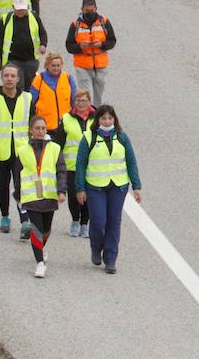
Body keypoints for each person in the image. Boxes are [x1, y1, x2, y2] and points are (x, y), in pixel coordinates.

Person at [76, 104, 142, 274]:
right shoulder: (88, 138)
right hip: (95, 186)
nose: (107, 121)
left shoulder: (122, 137)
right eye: (103, 118)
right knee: (98, 221)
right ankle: (96, 248)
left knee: (114, 222)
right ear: (98, 120)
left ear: (114, 119)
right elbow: (81, 165)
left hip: (118, 187)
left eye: (110, 118)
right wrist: (80, 188)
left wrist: (136, 186)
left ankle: (110, 258)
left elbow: (131, 161)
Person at [0, 64, 32, 234]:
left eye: (12, 76)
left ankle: (25, 221)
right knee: (2, 186)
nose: (9, 79)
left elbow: (33, 125)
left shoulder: (27, 99)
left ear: (18, 79)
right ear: (2, 78)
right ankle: (5, 217)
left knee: (21, 186)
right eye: (6, 76)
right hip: (1, 151)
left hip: (21, 152)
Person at [16, 115, 66, 278]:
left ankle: (40, 248)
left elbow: (61, 170)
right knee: (36, 228)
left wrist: (61, 190)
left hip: (49, 194)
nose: (40, 131)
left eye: (43, 128)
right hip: (31, 195)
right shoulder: (23, 150)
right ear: (31, 130)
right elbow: (17, 173)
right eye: (37, 128)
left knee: (46, 228)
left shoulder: (55, 148)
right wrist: (17, 192)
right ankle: (39, 263)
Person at [66, 0, 115, 105]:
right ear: (82, 9)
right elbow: (69, 46)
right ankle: (87, 118)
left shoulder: (104, 22)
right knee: (86, 96)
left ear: (96, 9)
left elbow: (112, 41)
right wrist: (79, 46)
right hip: (82, 66)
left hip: (101, 65)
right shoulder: (75, 25)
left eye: (92, 11)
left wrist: (102, 44)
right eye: (87, 11)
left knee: (99, 96)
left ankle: (97, 116)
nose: (89, 13)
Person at [60, 89, 96, 237]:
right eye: (78, 101)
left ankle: (85, 224)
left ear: (89, 102)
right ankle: (75, 220)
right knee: (74, 196)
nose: (81, 104)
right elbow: (59, 142)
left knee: (88, 195)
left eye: (84, 101)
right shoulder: (66, 118)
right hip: (71, 165)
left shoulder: (96, 119)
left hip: (91, 164)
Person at [1, 0, 47, 87]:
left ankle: (30, 101)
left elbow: (42, 33)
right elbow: (0, 38)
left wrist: (43, 45)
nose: (20, 11)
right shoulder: (6, 19)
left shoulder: (34, 17)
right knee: (18, 84)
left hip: (31, 59)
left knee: (31, 85)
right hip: (13, 59)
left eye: (22, 9)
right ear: (13, 7)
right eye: (18, 9)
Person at [28, 52, 71, 141]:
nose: (56, 68)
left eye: (58, 65)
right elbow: (31, 102)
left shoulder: (67, 77)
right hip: (45, 127)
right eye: (53, 65)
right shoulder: (39, 79)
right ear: (47, 65)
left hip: (65, 125)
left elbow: (74, 100)